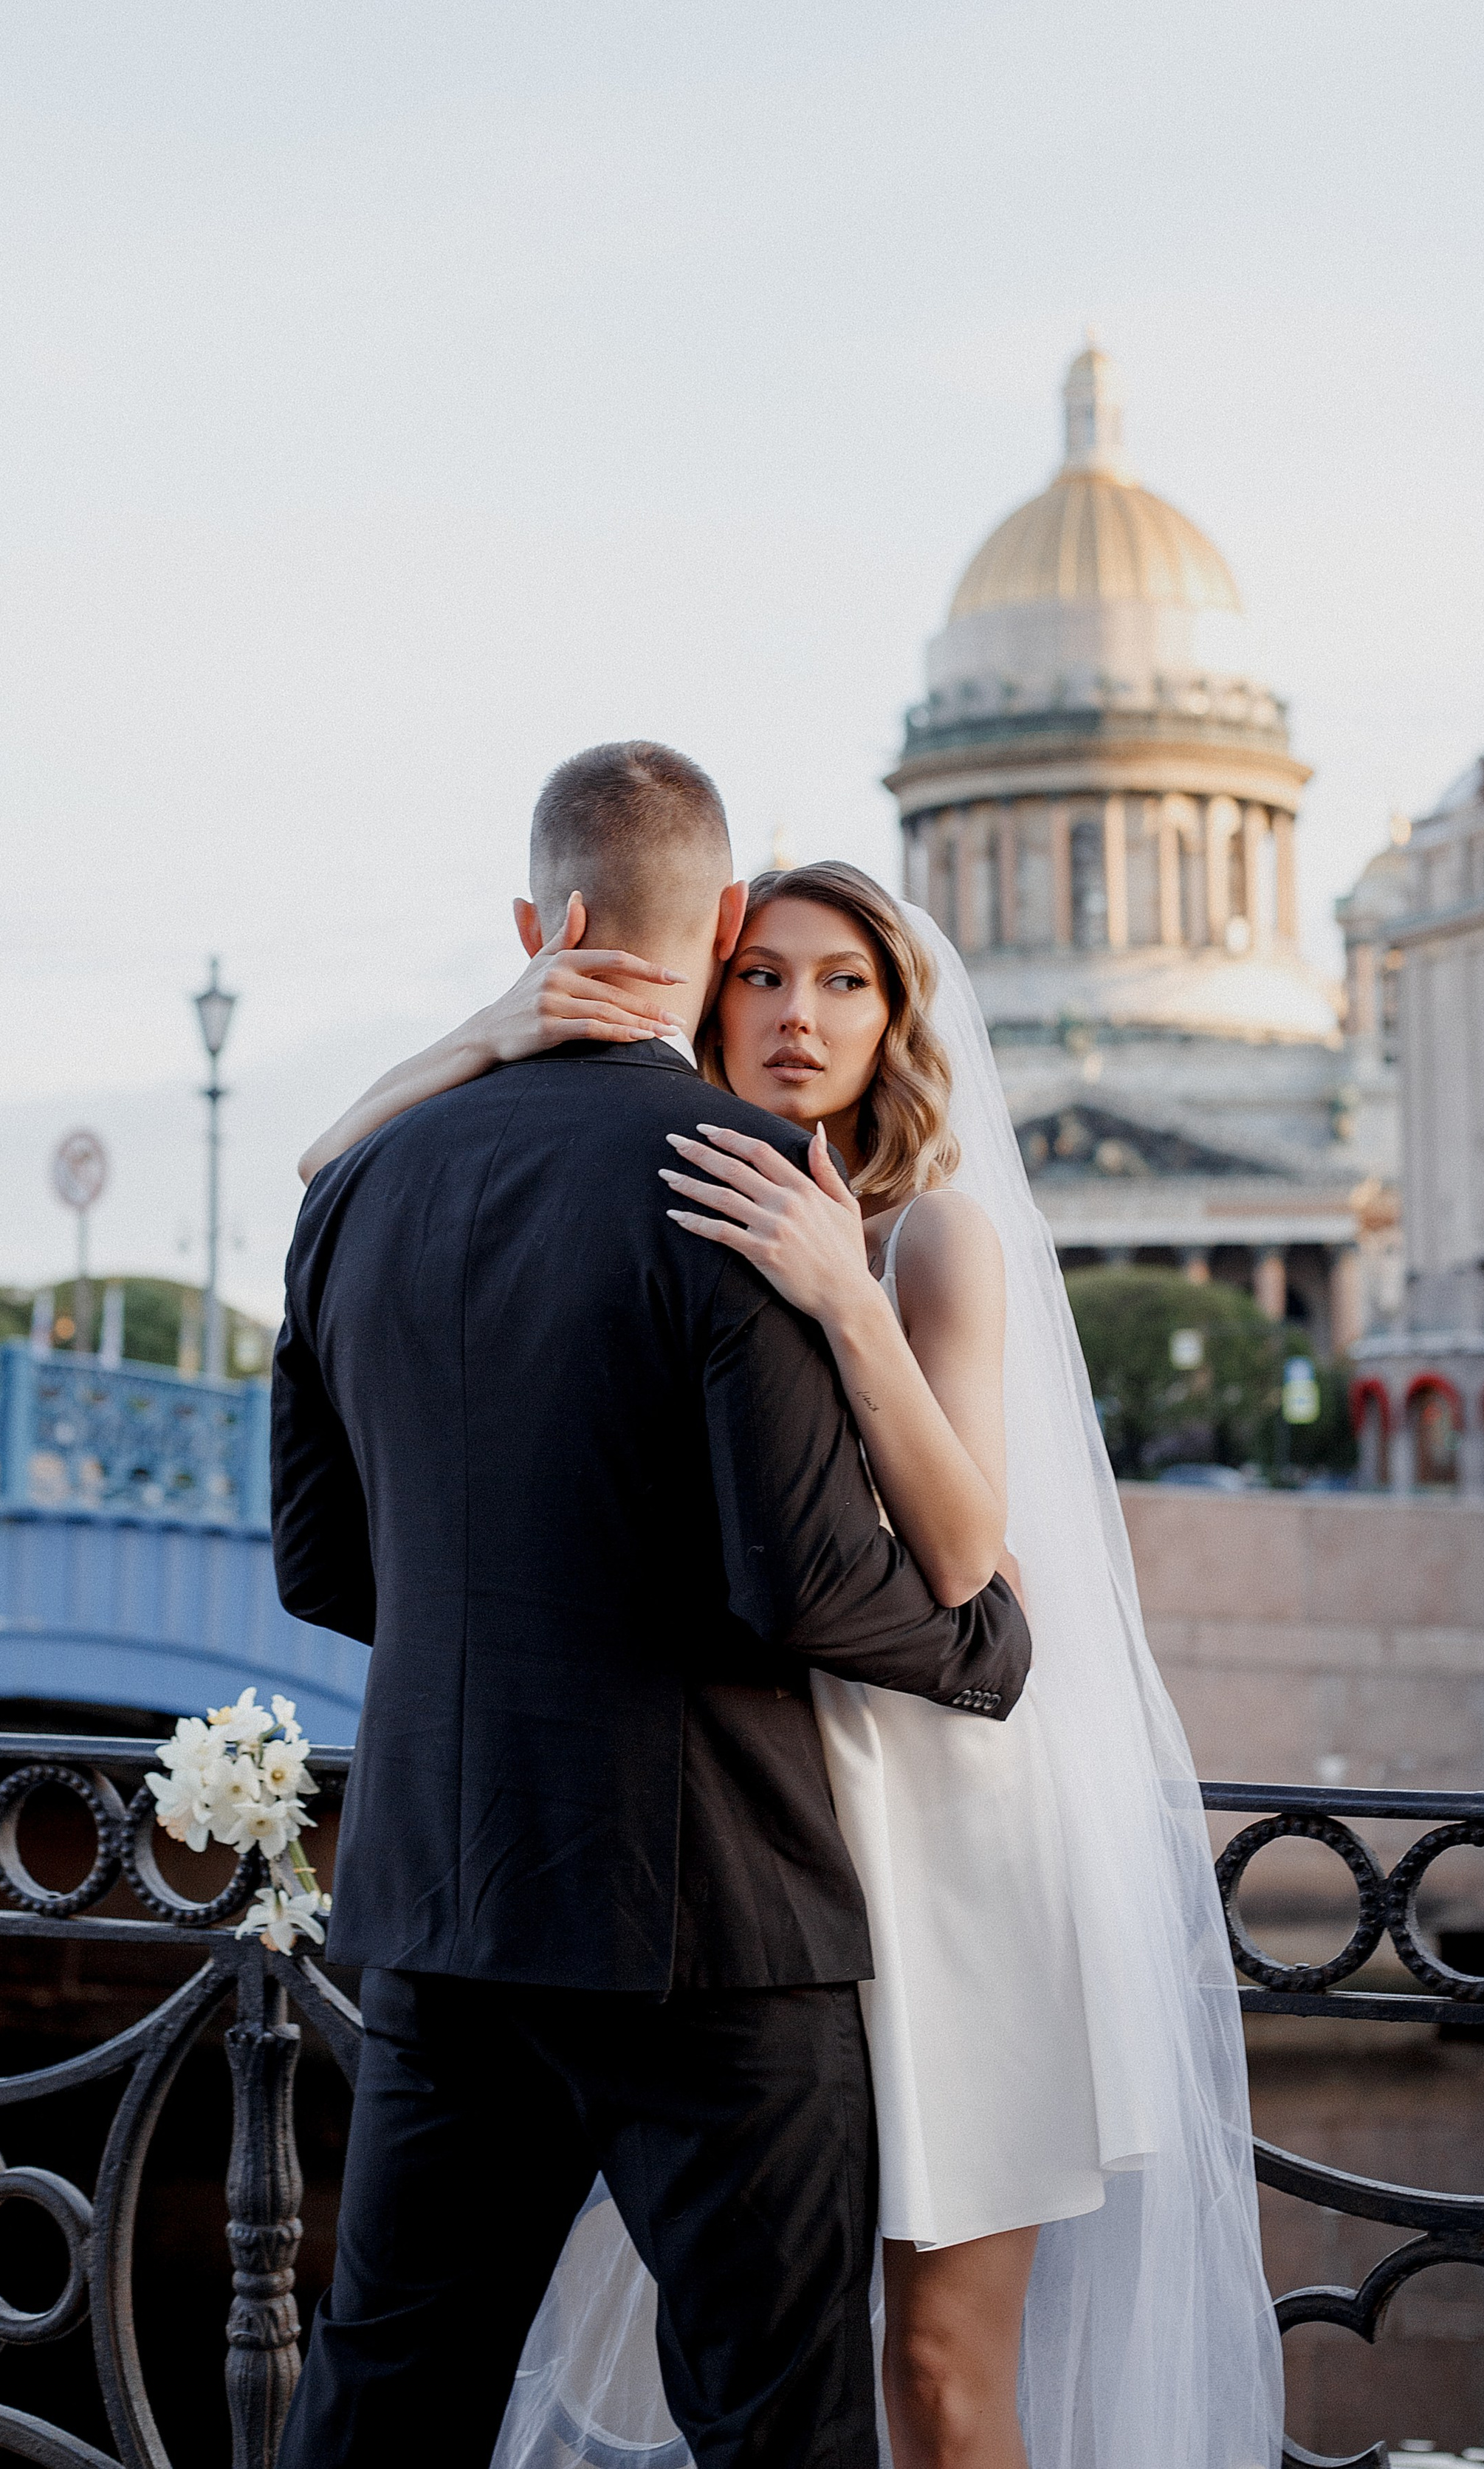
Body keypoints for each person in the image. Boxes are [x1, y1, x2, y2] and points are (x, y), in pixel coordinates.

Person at [298, 844, 1284, 2469]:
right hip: (761, 1829)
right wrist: (468, 1042)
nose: (796, 1016)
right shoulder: (673, 1188)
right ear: (704, 985)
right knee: (773, 2335)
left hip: (940, 1828)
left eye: (842, 983)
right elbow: (341, 1198)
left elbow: (968, 1561)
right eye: (761, 974)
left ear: (896, 1017)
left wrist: (846, 1295)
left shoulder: (931, 1243)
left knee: (938, 2364)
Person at [269, 741, 1032, 2469]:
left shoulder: (352, 1192)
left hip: (443, 1909)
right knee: (777, 2424)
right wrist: (981, 1643)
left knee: (381, 2401)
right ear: (727, 921)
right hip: (707, 1929)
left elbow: (324, 1565)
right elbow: (798, 1575)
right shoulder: (737, 1173)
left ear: (539, 920)